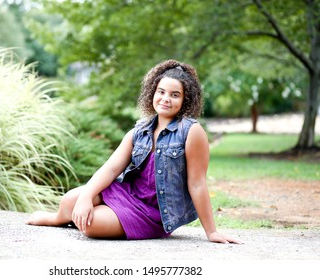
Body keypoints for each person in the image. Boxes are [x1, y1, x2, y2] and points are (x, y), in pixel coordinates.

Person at [26, 59, 242, 244]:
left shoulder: (192, 131)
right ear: (152, 93)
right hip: (126, 193)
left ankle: (82, 220)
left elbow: (197, 183)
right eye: (161, 92)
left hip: (154, 213)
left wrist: (211, 231)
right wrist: (87, 197)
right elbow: (110, 169)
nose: (166, 98)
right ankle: (58, 218)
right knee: (71, 200)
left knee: (90, 225)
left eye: (175, 95)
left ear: (185, 100)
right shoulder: (140, 130)